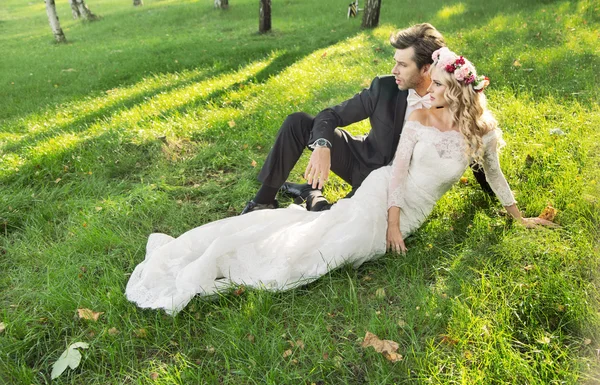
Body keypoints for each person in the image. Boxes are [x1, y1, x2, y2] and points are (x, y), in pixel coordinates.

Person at [125, 47, 557, 315]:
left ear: (442, 78)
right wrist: (327, 150)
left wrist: (517, 216)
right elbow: (377, 151)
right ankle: (263, 208)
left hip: (407, 201)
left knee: (327, 236)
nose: (399, 72)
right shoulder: (403, 102)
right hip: (379, 183)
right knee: (324, 230)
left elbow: (489, 168)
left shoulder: (472, 126)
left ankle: (310, 201)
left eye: (406, 66)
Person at [240, 23, 494, 215]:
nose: (394, 70)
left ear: (427, 68)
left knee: (331, 221)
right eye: (395, 62)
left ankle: (311, 193)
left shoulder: (450, 99)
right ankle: (263, 201)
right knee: (298, 122)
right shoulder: (383, 87)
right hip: (361, 162)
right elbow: (331, 114)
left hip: (395, 189)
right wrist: (322, 146)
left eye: (403, 65)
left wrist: (493, 195)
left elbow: (469, 143)